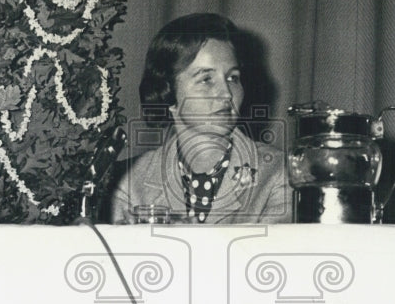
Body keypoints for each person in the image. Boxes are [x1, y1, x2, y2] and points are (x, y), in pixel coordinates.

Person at [110, 13, 291, 224]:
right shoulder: (130, 181)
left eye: (233, 78)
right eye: (206, 79)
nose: (226, 93)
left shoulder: (278, 173)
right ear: (166, 91)